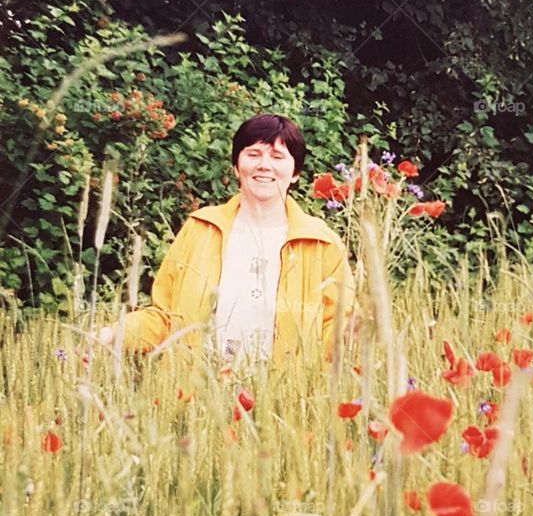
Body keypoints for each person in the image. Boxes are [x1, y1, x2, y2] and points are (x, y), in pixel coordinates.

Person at [97, 114, 357, 369]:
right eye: (253, 154)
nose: (264, 165)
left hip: (283, 402)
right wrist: (111, 334)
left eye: (277, 156)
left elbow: (339, 333)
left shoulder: (322, 244)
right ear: (236, 166)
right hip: (195, 397)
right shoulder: (200, 229)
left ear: (295, 172)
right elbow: (164, 317)